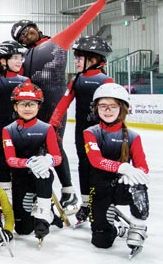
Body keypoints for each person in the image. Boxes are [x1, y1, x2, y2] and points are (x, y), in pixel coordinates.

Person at [11, 0, 127, 212]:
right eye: (21, 35)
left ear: (35, 27)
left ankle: (68, 190)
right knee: (34, 147)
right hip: (34, 105)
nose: (26, 34)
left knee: (55, 146)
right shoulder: (26, 56)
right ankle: (38, 190)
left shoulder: (57, 43)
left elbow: (83, 20)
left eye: (27, 29)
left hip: (53, 102)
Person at [48, 36, 114, 223]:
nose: (75, 61)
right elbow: (63, 104)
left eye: (79, 58)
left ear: (93, 60)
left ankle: (101, 203)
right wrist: (53, 125)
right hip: (82, 133)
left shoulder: (106, 81)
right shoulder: (76, 80)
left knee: (99, 168)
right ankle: (86, 204)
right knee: (84, 167)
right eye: (75, 57)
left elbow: (115, 108)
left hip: (102, 134)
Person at [83, 83, 149, 255]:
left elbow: (143, 166)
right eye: (103, 106)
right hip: (99, 189)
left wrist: (133, 174)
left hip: (122, 186)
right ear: (96, 108)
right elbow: (96, 160)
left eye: (113, 106)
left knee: (139, 183)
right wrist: (122, 167)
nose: (108, 110)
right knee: (101, 242)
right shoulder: (91, 132)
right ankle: (116, 228)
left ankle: (138, 226)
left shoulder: (133, 136)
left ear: (122, 108)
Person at [1, 81, 62, 242]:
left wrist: (48, 160)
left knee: (44, 173)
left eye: (32, 104)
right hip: (21, 179)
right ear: (15, 107)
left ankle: (44, 213)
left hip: (41, 176)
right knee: (22, 230)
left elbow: (57, 157)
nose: (27, 108)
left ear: (38, 106)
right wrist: (27, 162)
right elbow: (10, 159)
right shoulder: (8, 130)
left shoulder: (46, 128)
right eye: (23, 104)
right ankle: (42, 209)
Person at [0, 40, 29, 200]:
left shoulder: (25, 81)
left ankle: (24, 194)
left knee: (21, 161)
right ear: (3, 61)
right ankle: (5, 195)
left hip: (22, 130)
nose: (19, 61)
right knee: (2, 161)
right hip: (0, 130)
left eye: (20, 58)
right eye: (15, 58)